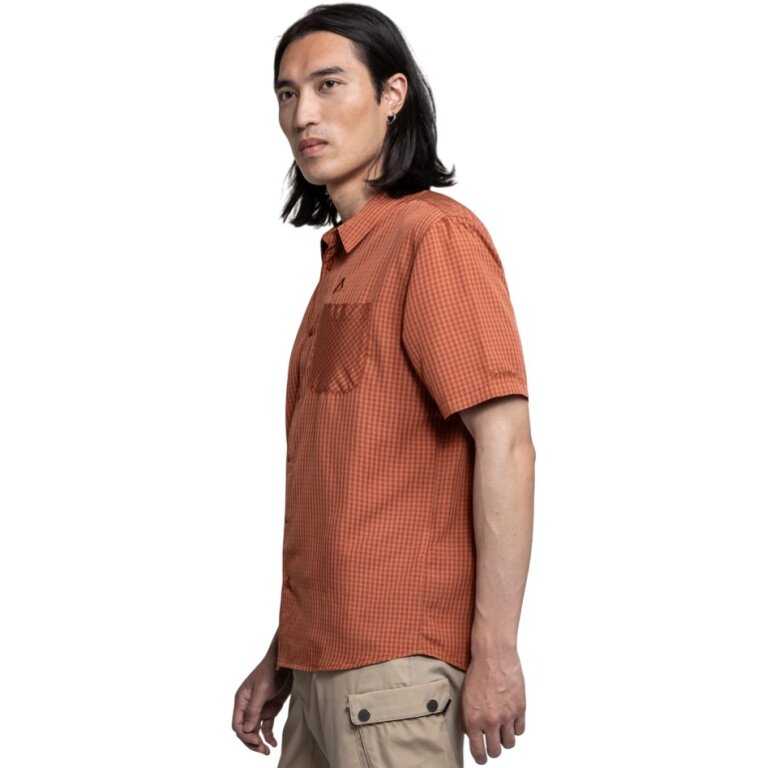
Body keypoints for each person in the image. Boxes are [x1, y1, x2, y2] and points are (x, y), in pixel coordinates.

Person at [232, 4, 535, 766]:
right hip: (320, 673)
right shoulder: (344, 264)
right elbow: (348, 496)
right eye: (287, 93)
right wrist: (283, 654)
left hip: (394, 678)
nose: (303, 113)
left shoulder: (432, 237)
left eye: (329, 84)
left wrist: (496, 650)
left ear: (392, 94)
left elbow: (505, 443)